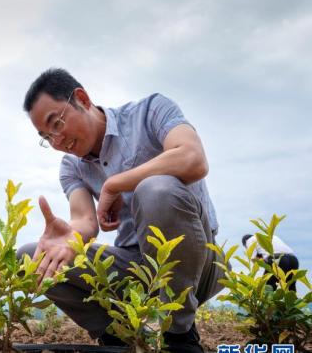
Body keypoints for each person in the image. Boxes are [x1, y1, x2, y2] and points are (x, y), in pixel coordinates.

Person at [18, 68, 226, 353]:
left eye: (56, 124)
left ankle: (179, 334)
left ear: (82, 98)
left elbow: (193, 158)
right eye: (46, 136)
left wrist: (115, 184)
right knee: (32, 258)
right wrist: (68, 238)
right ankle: (119, 334)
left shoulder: (151, 111)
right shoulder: (71, 166)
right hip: (135, 267)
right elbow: (84, 222)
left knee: (155, 190)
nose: (56, 142)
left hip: (197, 262)